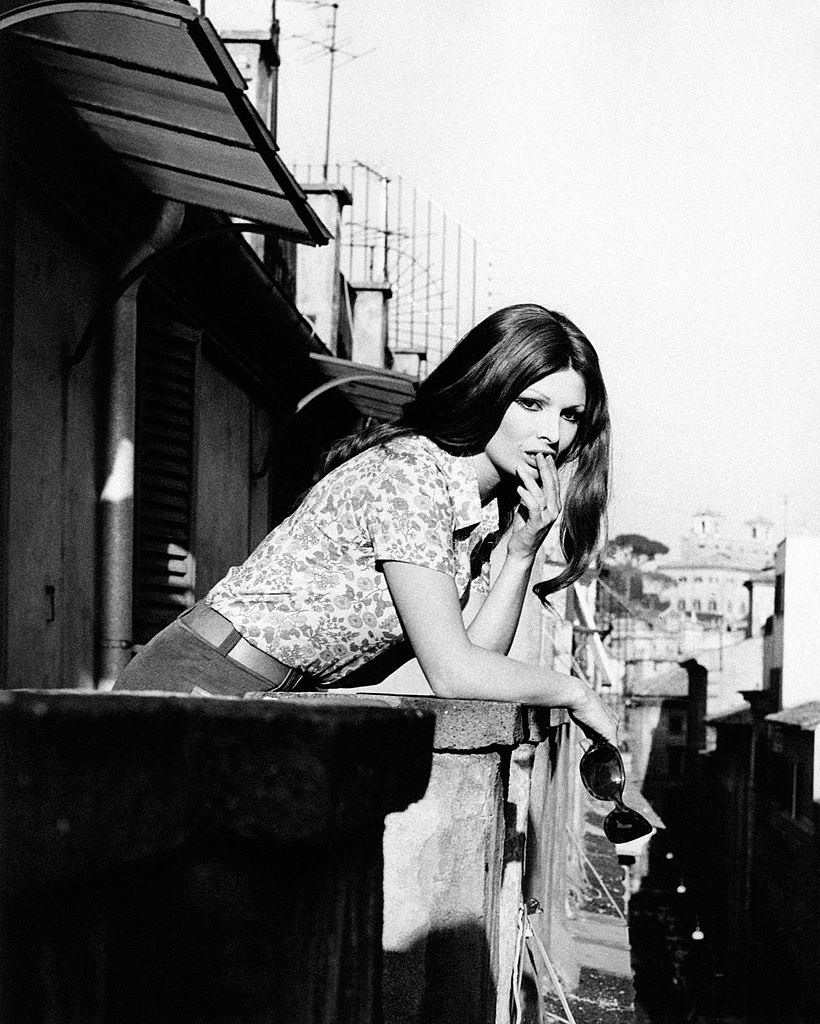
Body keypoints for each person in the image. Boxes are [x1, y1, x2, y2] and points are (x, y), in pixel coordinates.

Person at [114, 304, 617, 743]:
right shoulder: (412, 477)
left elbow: (476, 658)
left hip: (271, 696)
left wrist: (521, 553)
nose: (551, 434)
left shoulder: (477, 505)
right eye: (531, 405)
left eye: (570, 416)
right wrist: (574, 692)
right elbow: (453, 674)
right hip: (204, 680)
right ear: (487, 390)